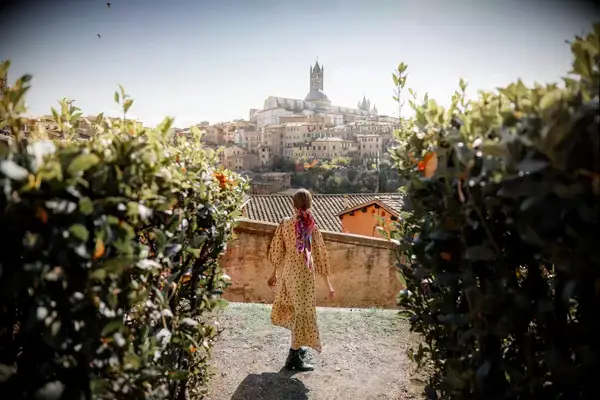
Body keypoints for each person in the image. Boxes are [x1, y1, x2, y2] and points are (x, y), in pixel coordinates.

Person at [267, 188, 335, 372]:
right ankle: (293, 357)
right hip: (304, 275)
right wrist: (328, 284)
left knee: (296, 310)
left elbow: (277, 250)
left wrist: (274, 273)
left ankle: (298, 347)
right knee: (302, 312)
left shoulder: (284, 223)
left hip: (289, 273)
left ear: (293, 204)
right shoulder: (312, 226)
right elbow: (320, 256)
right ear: (310, 204)